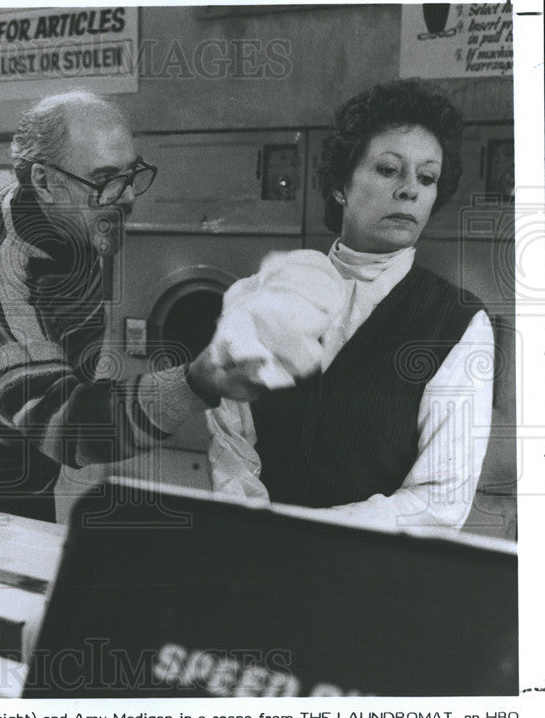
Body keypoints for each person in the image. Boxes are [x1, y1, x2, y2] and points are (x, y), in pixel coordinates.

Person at [0, 90, 265, 521]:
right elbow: (61, 425)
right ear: (44, 183)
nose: (125, 197)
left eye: (131, 174)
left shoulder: (81, 224)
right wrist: (198, 381)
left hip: (21, 468)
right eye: (105, 179)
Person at [206, 79, 492, 532]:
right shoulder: (266, 292)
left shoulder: (456, 322)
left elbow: (442, 498)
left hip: (373, 577)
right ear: (341, 185)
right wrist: (254, 528)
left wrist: (310, 533)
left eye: (427, 177)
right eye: (388, 169)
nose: (409, 191)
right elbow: (231, 442)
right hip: (256, 559)